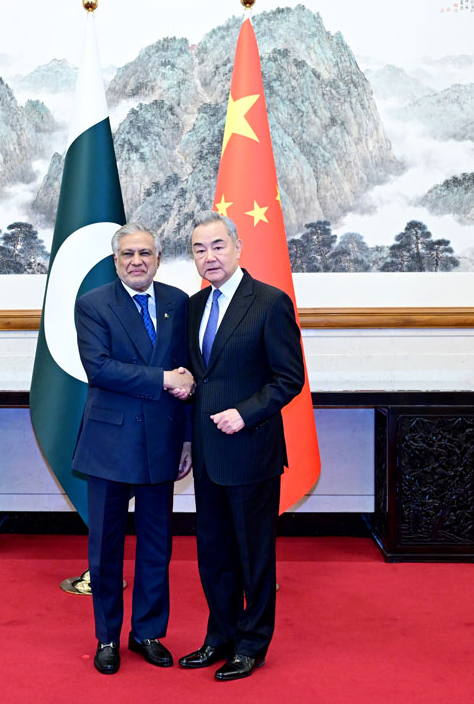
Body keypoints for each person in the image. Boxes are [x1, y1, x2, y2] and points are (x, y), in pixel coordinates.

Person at [178, 211, 305, 681]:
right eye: (199, 249)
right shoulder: (193, 307)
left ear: (237, 247)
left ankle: (252, 644)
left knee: (254, 556)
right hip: (207, 453)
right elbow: (198, 379)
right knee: (213, 553)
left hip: (251, 450)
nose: (209, 256)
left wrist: (245, 413)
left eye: (217, 246)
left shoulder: (270, 302)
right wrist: (188, 437)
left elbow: (289, 378)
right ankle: (220, 636)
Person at [72, 221, 194, 675]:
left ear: (158, 258)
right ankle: (107, 636)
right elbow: (100, 368)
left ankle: (147, 633)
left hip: (163, 440)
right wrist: (162, 379)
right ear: (115, 260)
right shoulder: (92, 304)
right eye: (128, 254)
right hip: (110, 443)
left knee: (157, 544)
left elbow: (189, 373)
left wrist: (186, 438)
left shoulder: (179, 303)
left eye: (145, 253)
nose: (137, 261)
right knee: (106, 546)